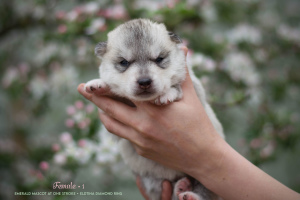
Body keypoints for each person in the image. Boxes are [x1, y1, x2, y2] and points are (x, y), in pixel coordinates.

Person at [77, 47, 300, 200]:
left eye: (158, 60)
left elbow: (196, 99)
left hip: (205, 174)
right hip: (156, 176)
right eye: (124, 63)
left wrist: (173, 90)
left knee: (202, 187)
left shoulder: (178, 71)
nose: (144, 76)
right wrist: (108, 89)